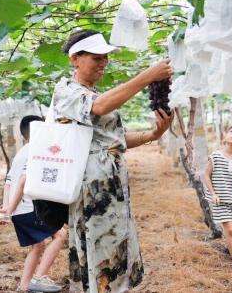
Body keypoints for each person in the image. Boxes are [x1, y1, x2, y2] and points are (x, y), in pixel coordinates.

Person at [52, 29, 173, 293]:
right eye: (97, 57)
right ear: (75, 59)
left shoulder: (94, 92)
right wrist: (147, 77)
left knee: (115, 243)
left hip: (112, 183)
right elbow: (97, 108)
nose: (104, 62)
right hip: (93, 186)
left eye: (105, 57)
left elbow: (115, 140)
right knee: (100, 244)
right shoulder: (68, 90)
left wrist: (153, 134)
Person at [0, 115, 67, 292]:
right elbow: (22, 182)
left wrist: (6, 207)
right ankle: (40, 278)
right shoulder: (37, 151)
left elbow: (8, 182)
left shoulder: (21, 153)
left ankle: (24, 286)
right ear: (38, 131)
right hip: (27, 207)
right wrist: (9, 210)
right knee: (60, 235)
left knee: (38, 244)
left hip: (19, 209)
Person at [203, 125, 232, 272]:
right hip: (220, 200)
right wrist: (213, 194)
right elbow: (206, 176)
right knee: (229, 230)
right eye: (231, 132)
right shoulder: (215, 156)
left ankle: (228, 248)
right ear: (225, 138)